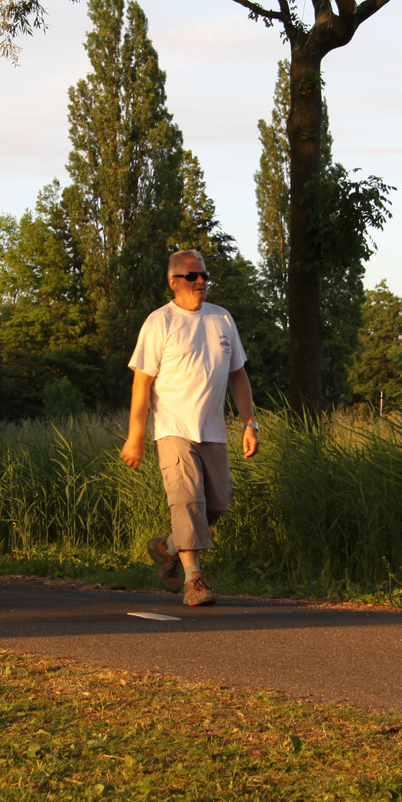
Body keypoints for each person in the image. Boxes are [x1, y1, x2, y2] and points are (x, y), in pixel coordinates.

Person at [121, 249, 259, 606]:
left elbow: (238, 375)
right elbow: (142, 383)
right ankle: (194, 579)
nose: (201, 281)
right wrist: (136, 435)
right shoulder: (159, 322)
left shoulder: (222, 319)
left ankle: (168, 547)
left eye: (204, 275)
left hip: (212, 429)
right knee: (187, 502)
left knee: (219, 502)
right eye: (192, 276)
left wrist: (249, 423)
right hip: (172, 427)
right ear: (174, 282)